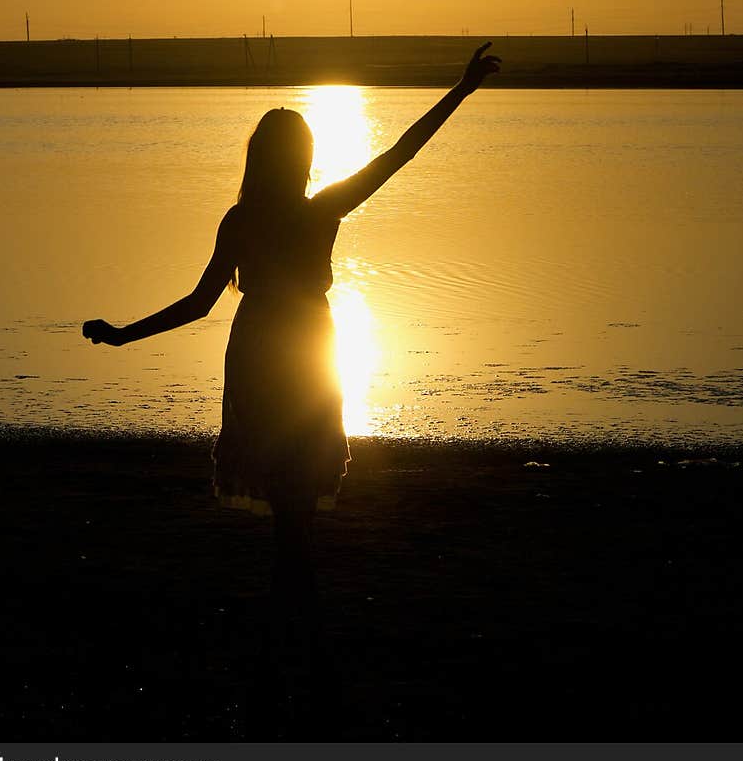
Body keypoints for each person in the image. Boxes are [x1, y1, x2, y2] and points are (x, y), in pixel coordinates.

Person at [83, 41, 501, 613]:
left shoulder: (247, 218)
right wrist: (460, 90)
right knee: (297, 488)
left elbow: (201, 303)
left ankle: (292, 595)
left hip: (260, 348)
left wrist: (123, 335)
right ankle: (296, 597)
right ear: (301, 158)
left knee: (287, 490)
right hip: (304, 349)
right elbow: (398, 155)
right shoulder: (318, 210)